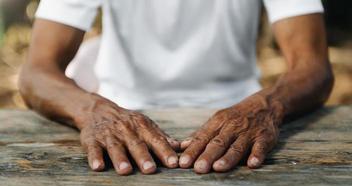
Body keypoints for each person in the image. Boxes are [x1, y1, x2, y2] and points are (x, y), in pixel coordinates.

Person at [18, 0, 334, 175]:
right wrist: (93, 111)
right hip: (121, 117)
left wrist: (267, 107)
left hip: (240, 119)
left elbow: (313, 66)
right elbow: (36, 72)